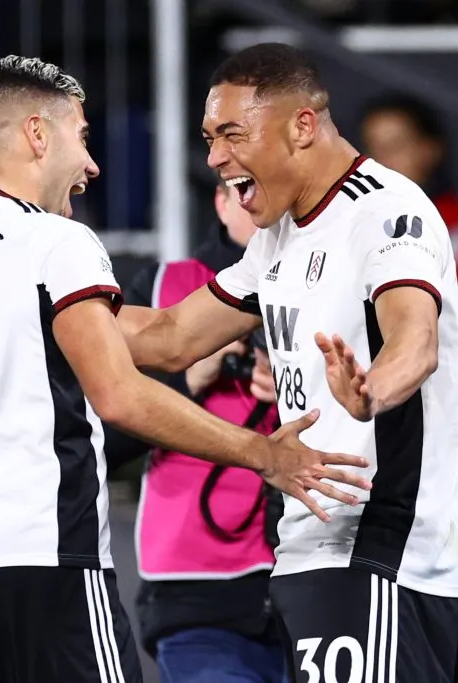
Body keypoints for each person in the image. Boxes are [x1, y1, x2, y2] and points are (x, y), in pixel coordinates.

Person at [0, 55, 372, 683]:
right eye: (81, 136)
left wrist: (273, 272)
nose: (92, 165)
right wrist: (264, 454)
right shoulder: (53, 241)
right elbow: (121, 396)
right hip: (42, 564)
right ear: (38, 135)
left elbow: (162, 339)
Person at [118, 43, 458, 682]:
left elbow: (415, 343)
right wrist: (49, 303)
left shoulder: (385, 210)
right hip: (311, 552)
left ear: (302, 126)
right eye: (208, 137)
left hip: (382, 548)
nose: (215, 158)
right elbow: (168, 337)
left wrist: (373, 390)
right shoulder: (278, 238)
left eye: (232, 134)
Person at [103, 181, 286, 683]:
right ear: (220, 203)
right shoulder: (163, 290)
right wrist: (187, 376)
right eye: (241, 190)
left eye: (267, 185)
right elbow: (101, 441)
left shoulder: (332, 282)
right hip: (197, 587)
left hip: (319, 575)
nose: (259, 204)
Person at [358, 93, 458, 512]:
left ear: (430, 150)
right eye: (374, 146)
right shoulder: (350, 234)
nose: (383, 159)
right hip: (377, 442)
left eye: (397, 144)